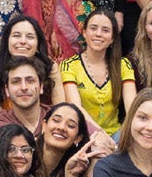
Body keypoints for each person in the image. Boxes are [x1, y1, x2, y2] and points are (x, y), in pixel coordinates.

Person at [57, 8, 135, 137]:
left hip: (117, 135)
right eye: (93, 28)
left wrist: (124, 137)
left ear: (112, 38)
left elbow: (132, 106)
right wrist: (100, 136)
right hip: (83, 135)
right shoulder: (69, 66)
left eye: (105, 30)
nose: (98, 34)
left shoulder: (123, 65)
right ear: (85, 33)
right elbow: (76, 108)